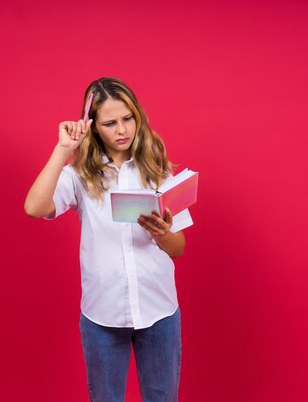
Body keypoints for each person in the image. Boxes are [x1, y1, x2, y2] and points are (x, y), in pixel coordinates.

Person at [24, 77, 193, 402]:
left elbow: (179, 247)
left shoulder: (155, 168)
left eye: (127, 118)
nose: (122, 129)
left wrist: (163, 234)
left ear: (137, 115)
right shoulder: (80, 175)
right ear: (93, 127)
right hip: (103, 314)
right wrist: (63, 150)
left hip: (159, 310)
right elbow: (34, 207)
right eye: (110, 122)